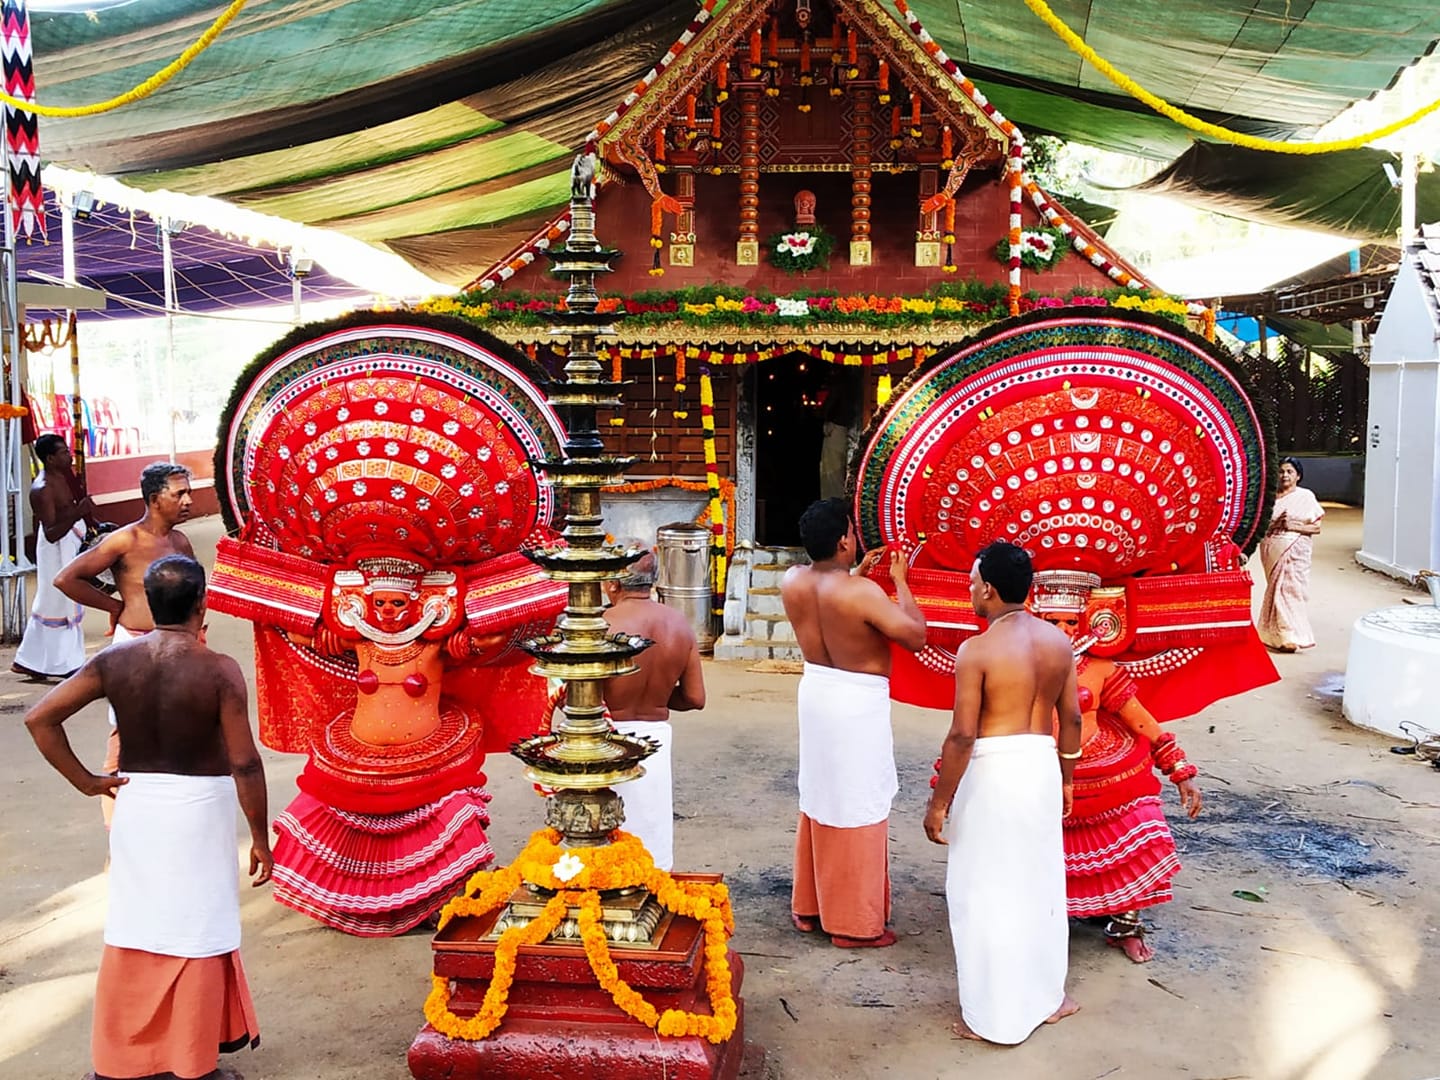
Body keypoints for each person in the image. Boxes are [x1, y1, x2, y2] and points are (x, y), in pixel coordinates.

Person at [24, 555, 269, 1080]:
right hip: (200, 809)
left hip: (139, 804)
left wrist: (87, 781)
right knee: (197, 930)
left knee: (139, 926)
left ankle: (120, 1060)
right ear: (203, 606)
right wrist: (260, 838)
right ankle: (192, 1061)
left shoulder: (117, 660)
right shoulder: (219, 669)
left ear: (149, 604)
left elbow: (39, 716)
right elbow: (245, 761)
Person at [923, 541, 1081, 1045]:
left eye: (972, 581)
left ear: (989, 589)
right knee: (1037, 884)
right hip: (1039, 767)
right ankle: (1047, 998)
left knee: (984, 889)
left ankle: (994, 1017)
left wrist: (939, 801)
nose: (969, 589)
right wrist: (1069, 777)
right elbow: (1072, 717)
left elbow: (963, 735)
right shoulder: (1058, 643)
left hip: (994, 771)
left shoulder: (977, 650)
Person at [1031, 570, 1203, 964]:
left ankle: (1125, 922)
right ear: (1032, 616)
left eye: (1070, 622)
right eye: (1051, 621)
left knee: (1143, 820)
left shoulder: (1100, 667)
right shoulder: (1015, 661)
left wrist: (1179, 769)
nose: (1062, 630)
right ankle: (1041, 918)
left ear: (1088, 621)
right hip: (1038, 765)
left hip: (1101, 770)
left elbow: (1139, 719)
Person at [781, 497, 926, 948]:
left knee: (822, 792)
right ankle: (853, 925)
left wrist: (856, 573)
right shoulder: (862, 593)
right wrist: (901, 582)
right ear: (844, 540)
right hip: (856, 703)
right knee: (858, 802)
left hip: (817, 691)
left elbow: (834, 598)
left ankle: (810, 904)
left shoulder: (792, 581)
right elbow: (915, 635)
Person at [54, 462, 195, 821]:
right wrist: (115, 604)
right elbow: (67, 579)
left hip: (180, 648)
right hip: (135, 646)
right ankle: (116, 828)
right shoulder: (125, 539)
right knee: (124, 737)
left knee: (178, 731)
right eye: (178, 493)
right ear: (153, 498)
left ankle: (164, 815)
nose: (188, 500)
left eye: (188, 492)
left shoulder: (180, 541)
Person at [600, 545, 707, 871]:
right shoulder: (679, 624)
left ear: (614, 584)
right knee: (651, 839)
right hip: (656, 740)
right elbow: (694, 698)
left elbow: (571, 695)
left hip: (606, 742)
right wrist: (658, 699)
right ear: (653, 582)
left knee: (604, 840)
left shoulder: (601, 624)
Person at [12, 434, 95, 679]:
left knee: (56, 602)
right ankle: (63, 663)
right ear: (50, 459)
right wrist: (78, 512)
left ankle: (29, 660)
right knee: (57, 602)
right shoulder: (43, 488)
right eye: (63, 452)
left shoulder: (64, 478)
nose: (69, 455)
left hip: (70, 545)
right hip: (54, 551)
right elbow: (50, 533)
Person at [1258, 457, 1324, 652]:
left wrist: (1291, 525)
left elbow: (1317, 527)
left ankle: (1290, 635)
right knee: (1275, 590)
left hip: (1295, 549)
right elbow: (1260, 526)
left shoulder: (1305, 497)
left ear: (1298, 476)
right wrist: (1274, 524)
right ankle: (1275, 635)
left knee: (1289, 591)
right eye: (1281, 471)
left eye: (1289, 472)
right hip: (1271, 548)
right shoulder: (1268, 498)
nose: (1284, 475)